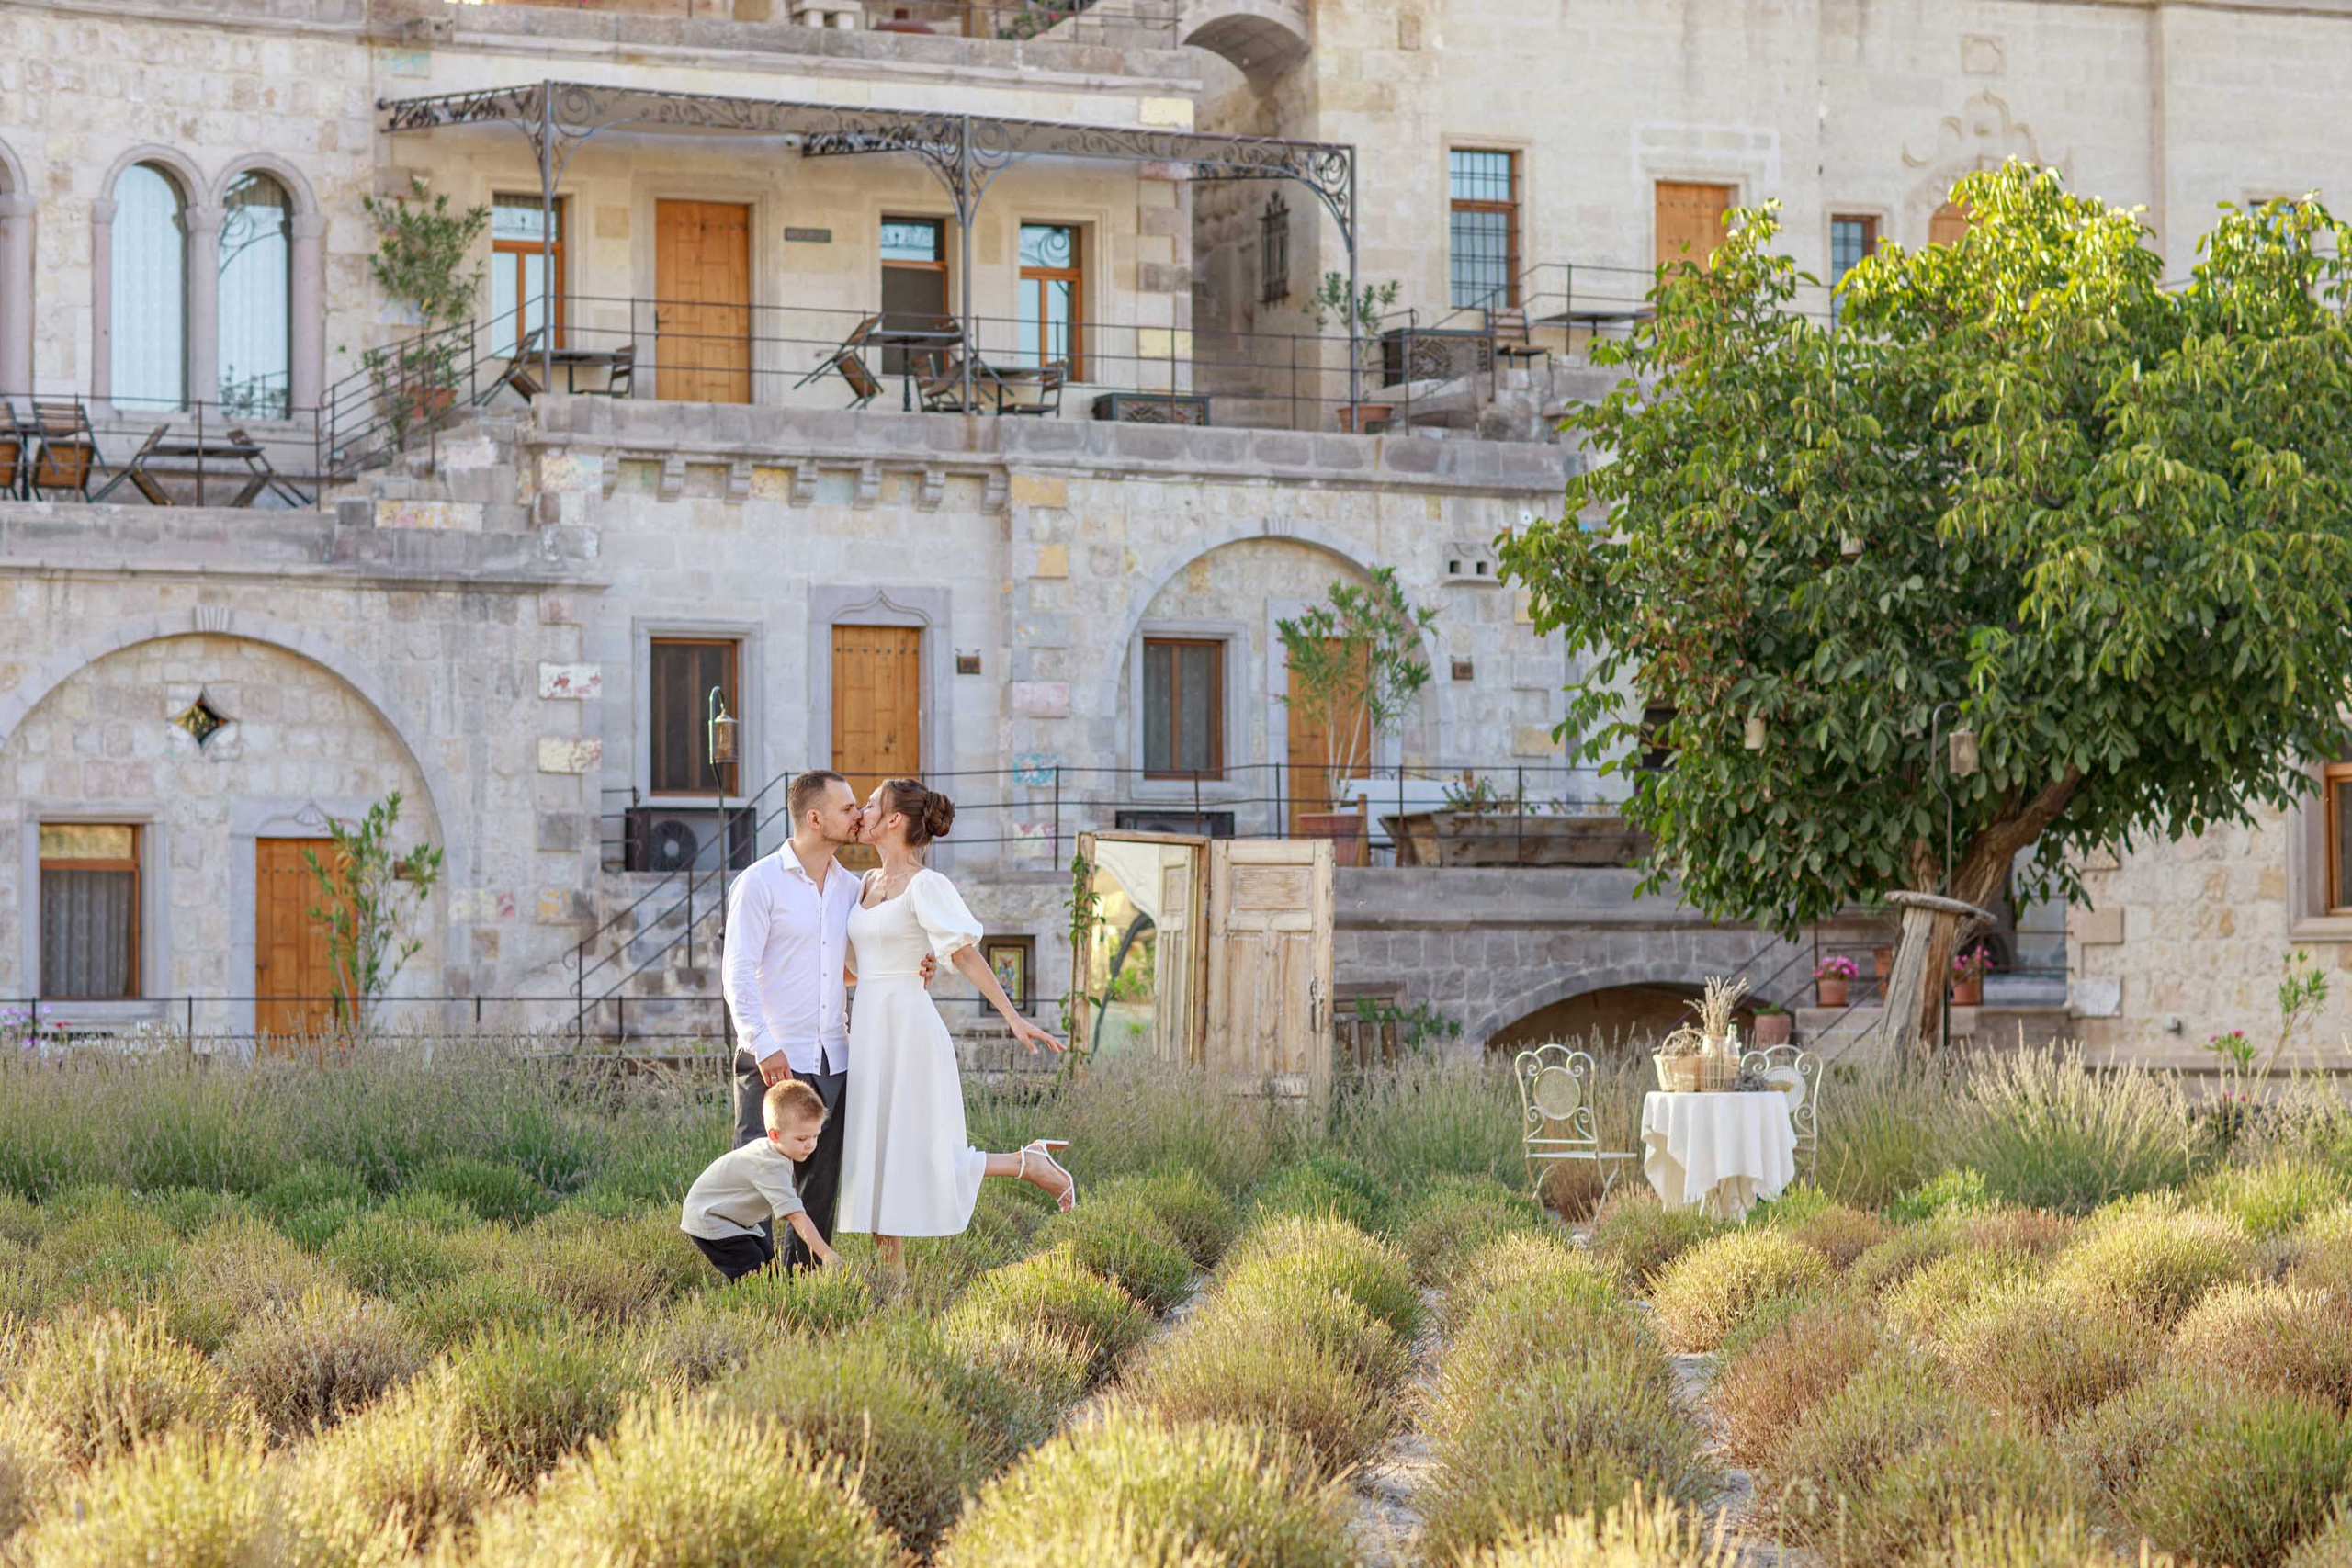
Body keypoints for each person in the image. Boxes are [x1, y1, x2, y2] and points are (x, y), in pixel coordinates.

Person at [834, 777, 1077, 1268]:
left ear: (894, 821)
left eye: (871, 805)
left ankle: (1027, 1164)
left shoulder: (927, 885)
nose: (862, 812)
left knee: (921, 1152)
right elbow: (849, 968)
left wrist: (1013, 1017)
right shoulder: (863, 884)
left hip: (910, 1031)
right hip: (869, 1032)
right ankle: (893, 1298)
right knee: (879, 1159)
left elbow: (964, 955)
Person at [719, 768, 932, 1269]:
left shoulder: (850, 889)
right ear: (815, 818)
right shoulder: (759, 883)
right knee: (756, 1186)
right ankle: (751, 1296)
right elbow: (738, 971)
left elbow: (849, 969)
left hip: (833, 1059)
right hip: (772, 1058)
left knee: (819, 1192)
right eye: (847, 808)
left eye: (861, 806)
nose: (858, 814)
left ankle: (805, 1300)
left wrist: (913, 966)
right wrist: (762, 1043)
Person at [679, 1077, 840, 1279]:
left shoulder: (778, 1152)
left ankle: (768, 1304)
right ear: (774, 1135)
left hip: (734, 1221)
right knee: (755, 1270)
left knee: (768, 1267)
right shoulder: (769, 1164)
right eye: (802, 1138)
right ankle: (748, 1308)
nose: (810, 1145)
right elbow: (797, 1217)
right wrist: (826, 1253)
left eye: (815, 1136)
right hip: (711, 1217)